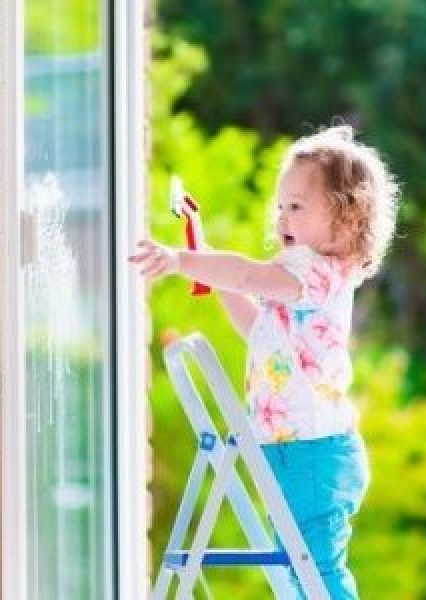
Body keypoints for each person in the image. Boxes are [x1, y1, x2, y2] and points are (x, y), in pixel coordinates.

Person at [128, 124, 400, 598]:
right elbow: (254, 320)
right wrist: (204, 262)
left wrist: (181, 261)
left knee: (316, 573)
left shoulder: (317, 273)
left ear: (347, 219)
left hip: (313, 452)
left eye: (296, 206)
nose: (282, 218)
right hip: (297, 450)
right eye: (280, 207)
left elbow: (248, 274)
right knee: (300, 574)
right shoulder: (298, 280)